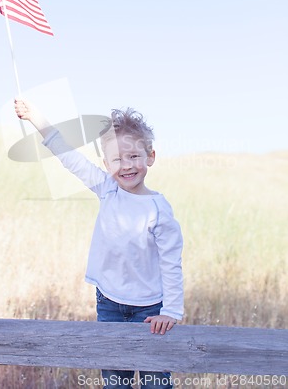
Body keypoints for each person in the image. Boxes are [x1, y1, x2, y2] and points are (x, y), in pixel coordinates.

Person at [14, 98, 184, 389]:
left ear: (150, 156)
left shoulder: (159, 209)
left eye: (134, 156)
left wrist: (171, 311)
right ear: (106, 164)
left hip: (149, 310)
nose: (126, 165)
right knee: (116, 382)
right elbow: (69, 157)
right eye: (117, 159)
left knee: (156, 382)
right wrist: (37, 119)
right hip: (109, 305)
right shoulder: (107, 189)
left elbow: (171, 263)